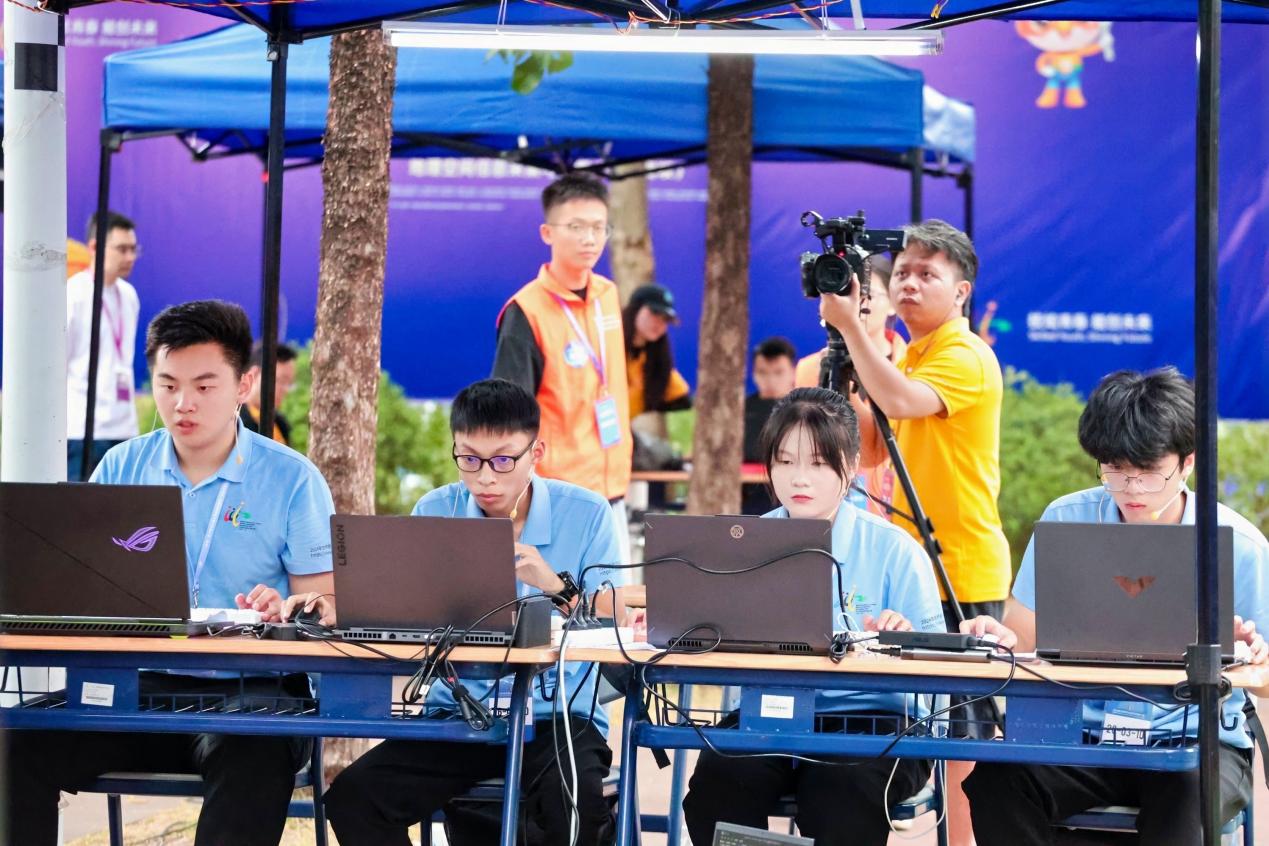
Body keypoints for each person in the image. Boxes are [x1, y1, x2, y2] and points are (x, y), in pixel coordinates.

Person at [5, 300, 337, 846]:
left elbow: (322, 605)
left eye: (204, 386)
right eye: (168, 385)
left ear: (244, 385)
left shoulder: (292, 479)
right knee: (15, 744)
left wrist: (290, 611)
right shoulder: (122, 466)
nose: (183, 403)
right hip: (136, 688)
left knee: (253, 752)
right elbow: (79, 586)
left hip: (256, 690)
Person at [960, 368, 1269, 845]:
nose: (1132, 490)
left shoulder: (1238, 545)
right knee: (998, 779)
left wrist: (1251, 657)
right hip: (1083, 735)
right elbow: (1020, 637)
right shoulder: (1067, 521)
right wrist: (999, 638)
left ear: (1188, 462)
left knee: (1188, 794)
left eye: (1148, 472)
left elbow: (1266, 681)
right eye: (1116, 471)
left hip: (1194, 742)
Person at [325, 378, 625, 846]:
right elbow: (407, 613)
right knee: (354, 798)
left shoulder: (586, 514)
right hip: (458, 714)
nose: (485, 477)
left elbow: (615, 621)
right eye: (469, 459)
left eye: (503, 460)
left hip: (558, 720)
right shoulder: (435, 509)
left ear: (536, 452)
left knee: (576, 809)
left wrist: (556, 587)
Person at [683, 387, 945, 846]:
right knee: (719, 782)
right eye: (784, 461)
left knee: (839, 792)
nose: (799, 478)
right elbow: (712, 636)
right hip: (769, 714)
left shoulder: (896, 550)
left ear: (852, 465)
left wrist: (902, 642)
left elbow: (939, 670)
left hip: (877, 722)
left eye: (819, 464)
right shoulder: (745, 544)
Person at [819, 220, 1010, 846]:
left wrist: (855, 330)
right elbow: (873, 451)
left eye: (929, 274)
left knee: (965, 735)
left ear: (962, 291)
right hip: (915, 566)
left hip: (961, 568)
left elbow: (900, 402)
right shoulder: (911, 354)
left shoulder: (964, 354)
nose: (909, 283)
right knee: (927, 720)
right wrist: (846, 360)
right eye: (902, 271)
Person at [492, 172, 633, 564]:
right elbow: (507, 418)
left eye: (599, 228)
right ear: (547, 232)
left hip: (613, 488)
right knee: (557, 598)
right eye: (576, 227)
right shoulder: (526, 311)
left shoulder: (608, 294)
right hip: (556, 496)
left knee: (611, 596)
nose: (590, 238)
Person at [66, 211, 141, 480]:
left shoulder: (129, 295)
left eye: (134, 249)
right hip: (82, 428)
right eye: (122, 249)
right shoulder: (73, 293)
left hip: (124, 428)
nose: (130, 257)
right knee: (80, 504)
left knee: (123, 506)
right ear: (94, 246)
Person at [741, 336, 797, 514]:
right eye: (763, 372)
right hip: (746, 492)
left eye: (778, 372)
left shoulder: (805, 409)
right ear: (753, 374)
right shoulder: (741, 409)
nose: (771, 380)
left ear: (793, 372)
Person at [623, 283, 692, 422]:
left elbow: (684, 404)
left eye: (666, 319)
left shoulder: (657, 363)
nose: (659, 323)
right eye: (654, 313)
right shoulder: (608, 347)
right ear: (635, 309)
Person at [239, 341, 298, 446]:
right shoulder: (234, 422)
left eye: (289, 384)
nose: (285, 390)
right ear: (254, 374)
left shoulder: (280, 423)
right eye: (281, 381)